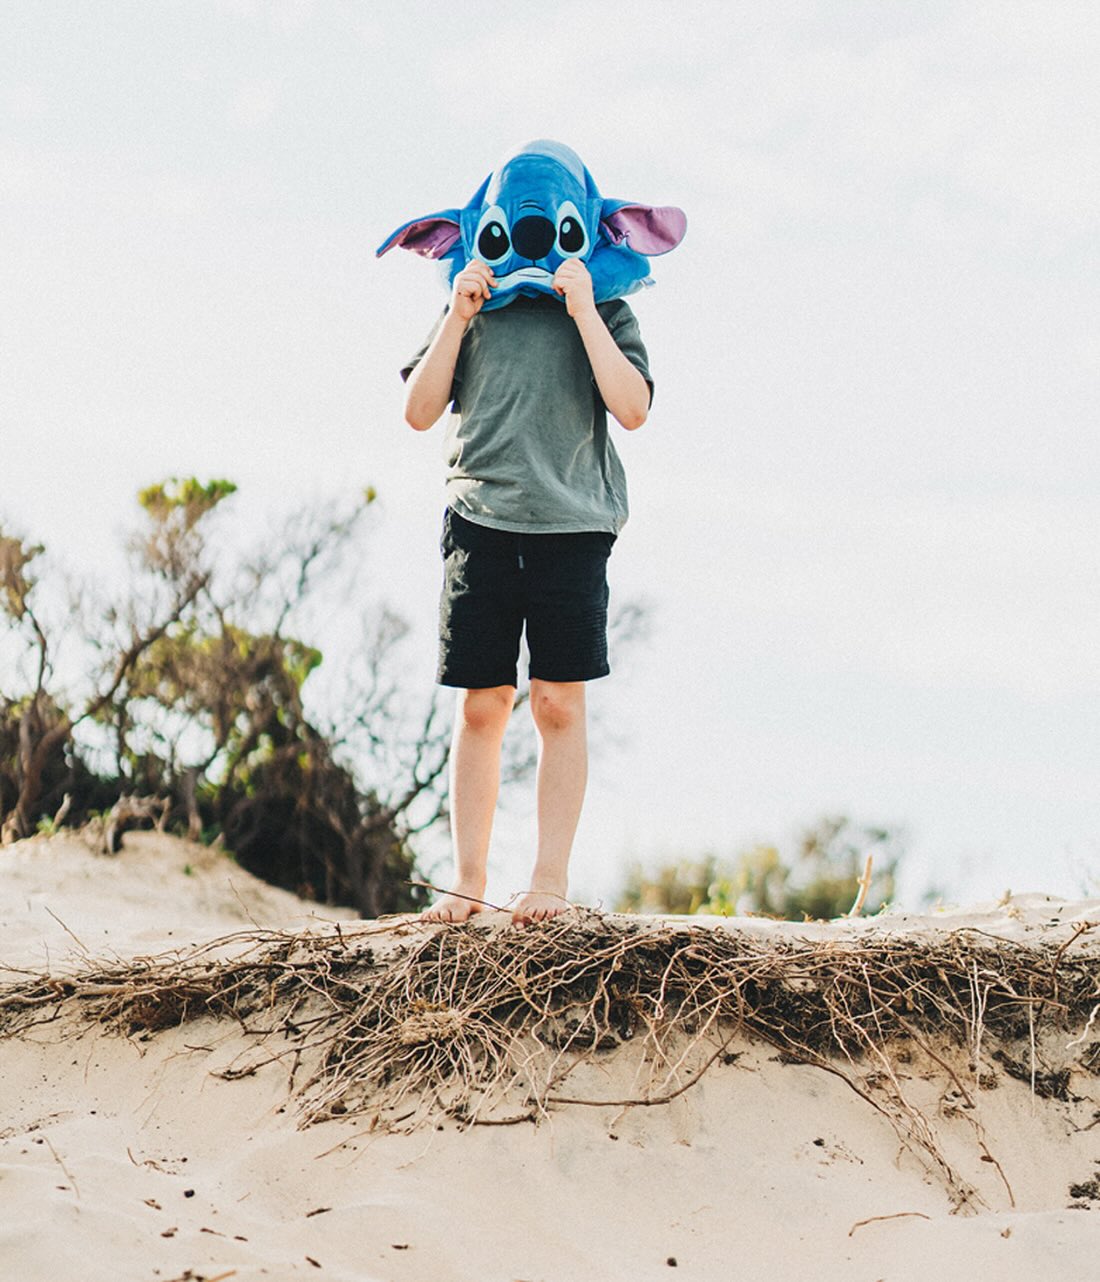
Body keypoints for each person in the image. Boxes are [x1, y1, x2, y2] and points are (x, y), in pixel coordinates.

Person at [391, 141, 682, 925]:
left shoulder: (608, 309)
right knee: (482, 705)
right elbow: (419, 411)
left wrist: (585, 308)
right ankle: (468, 880)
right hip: (479, 521)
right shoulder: (474, 305)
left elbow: (632, 408)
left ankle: (548, 879)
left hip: (572, 525)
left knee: (557, 703)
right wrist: (458, 315)